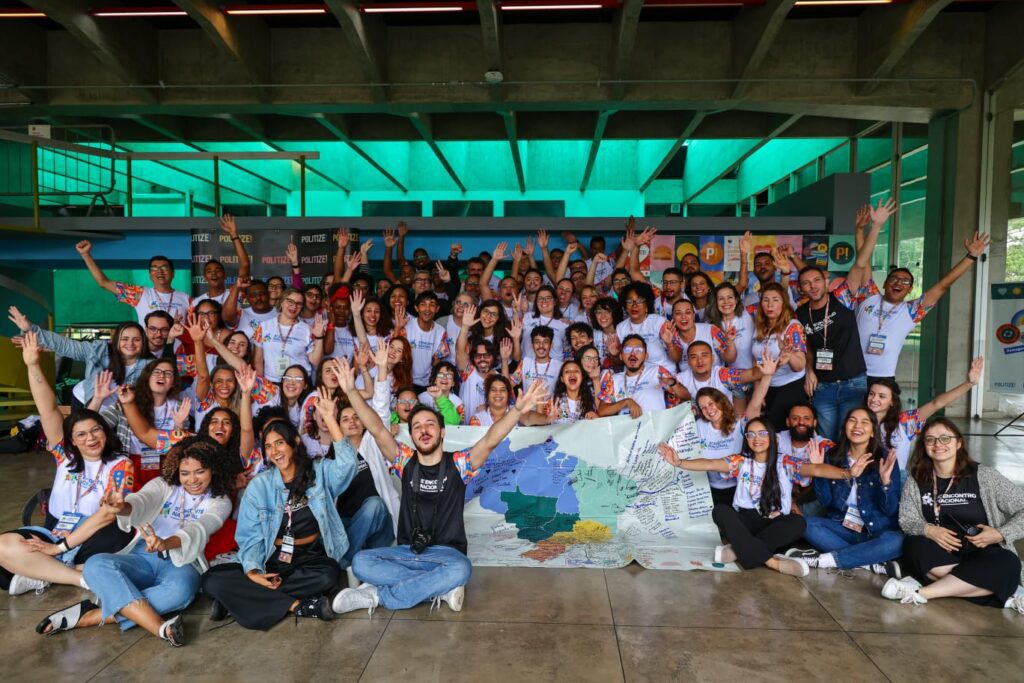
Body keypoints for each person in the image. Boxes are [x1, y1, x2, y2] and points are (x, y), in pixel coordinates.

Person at [333, 365, 550, 616]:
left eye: (430, 424)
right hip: (408, 552)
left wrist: (517, 410)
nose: (424, 430)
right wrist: (351, 391)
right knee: (361, 561)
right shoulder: (404, 461)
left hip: (446, 555)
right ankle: (438, 587)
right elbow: (377, 429)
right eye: (417, 427)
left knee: (462, 569)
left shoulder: (459, 464)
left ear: (442, 431)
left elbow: (491, 440)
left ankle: (377, 595)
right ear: (411, 436)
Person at [35, 436, 233, 646]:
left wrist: (166, 543)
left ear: (213, 469)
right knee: (95, 565)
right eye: (185, 473)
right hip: (143, 554)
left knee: (180, 593)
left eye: (200, 471)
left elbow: (198, 529)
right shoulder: (164, 485)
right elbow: (141, 501)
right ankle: (158, 626)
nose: (192, 479)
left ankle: (92, 616)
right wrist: (122, 507)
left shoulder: (221, 501)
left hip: (182, 563)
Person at [201, 390, 359, 629]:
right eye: (268, 446)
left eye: (279, 443)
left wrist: (331, 419)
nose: (274, 451)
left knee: (328, 575)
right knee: (210, 580)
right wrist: (254, 572)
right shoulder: (259, 486)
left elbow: (348, 466)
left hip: (310, 557)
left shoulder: (319, 471)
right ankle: (298, 605)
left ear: (295, 442)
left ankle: (236, 601)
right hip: (271, 557)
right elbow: (250, 536)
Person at [0, 332, 135, 596]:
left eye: (96, 430)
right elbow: (48, 409)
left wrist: (59, 548)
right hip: (56, 529)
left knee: (121, 539)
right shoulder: (65, 454)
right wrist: (33, 365)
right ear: (71, 440)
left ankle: (43, 571)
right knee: (3, 546)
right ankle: (77, 577)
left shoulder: (120, 464)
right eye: (81, 435)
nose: (90, 439)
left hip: (95, 533)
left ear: (106, 432)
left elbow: (107, 514)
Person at [884, 418, 1024, 612]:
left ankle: (921, 592)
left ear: (959, 443)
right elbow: (907, 520)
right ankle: (998, 588)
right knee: (913, 545)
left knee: (1009, 563)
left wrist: (1000, 534)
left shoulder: (985, 476)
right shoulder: (917, 480)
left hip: (984, 552)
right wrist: (929, 530)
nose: (938, 444)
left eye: (945, 438)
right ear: (924, 446)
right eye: (930, 440)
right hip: (941, 553)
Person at [658, 418, 810, 577]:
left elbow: (817, 470)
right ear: (746, 439)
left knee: (798, 522)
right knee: (720, 511)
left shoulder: (786, 462)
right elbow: (711, 464)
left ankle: (737, 550)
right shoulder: (741, 462)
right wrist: (679, 462)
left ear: (772, 436)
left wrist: (832, 469)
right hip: (746, 520)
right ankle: (773, 562)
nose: (756, 438)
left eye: (762, 433)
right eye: (751, 434)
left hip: (774, 523)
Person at [797, 198, 896, 441]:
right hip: (823, 386)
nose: (813, 286)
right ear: (801, 289)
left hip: (853, 383)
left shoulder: (842, 297)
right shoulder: (801, 314)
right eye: (806, 284)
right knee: (826, 440)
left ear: (826, 281)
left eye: (816, 280)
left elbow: (860, 262)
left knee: (850, 438)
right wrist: (809, 370)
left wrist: (875, 226)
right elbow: (807, 346)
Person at [854, 207, 989, 383]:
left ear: (910, 289)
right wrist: (859, 230)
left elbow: (943, 285)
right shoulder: (869, 296)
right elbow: (862, 262)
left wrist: (971, 257)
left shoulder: (911, 311)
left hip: (883, 379)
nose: (898, 283)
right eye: (894, 279)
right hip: (851, 375)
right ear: (885, 283)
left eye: (905, 282)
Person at [786, 407, 903, 578]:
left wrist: (886, 483)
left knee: (896, 541)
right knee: (803, 523)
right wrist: (818, 471)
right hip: (841, 527)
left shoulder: (884, 459)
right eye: (852, 420)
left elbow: (890, 510)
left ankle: (824, 560)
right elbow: (826, 502)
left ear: (873, 432)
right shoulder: (833, 457)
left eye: (864, 422)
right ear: (845, 427)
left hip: (874, 531)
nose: (857, 426)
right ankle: (869, 562)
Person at [8, 306, 149, 410]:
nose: (130, 343)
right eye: (125, 339)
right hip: (85, 401)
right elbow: (65, 345)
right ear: (116, 340)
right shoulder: (98, 350)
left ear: (143, 342)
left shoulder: (149, 365)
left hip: (119, 409)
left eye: (136, 339)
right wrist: (31, 328)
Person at [866, 358, 983, 472]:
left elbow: (937, 404)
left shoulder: (904, 422)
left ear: (892, 401)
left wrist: (969, 384)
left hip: (895, 479)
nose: (874, 399)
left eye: (881, 396)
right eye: (871, 394)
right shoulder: (859, 419)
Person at [75, 240, 191, 325]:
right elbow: (104, 283)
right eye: (154, 268)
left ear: (173, 273)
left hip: (179, 351)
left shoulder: (186, 298)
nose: (159, 271)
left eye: (164, 268)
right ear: (150, 274)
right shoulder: (139, 294)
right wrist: (86, 255)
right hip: (149, 351)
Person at [750, 282, 807, 431]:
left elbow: (800, 365)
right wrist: (758, 391)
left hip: (789, 387)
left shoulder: (793, 326)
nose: (770, 305)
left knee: (781, 432)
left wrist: (789, 355)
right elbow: (756, 361)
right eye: (766, 300)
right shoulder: (760, 326)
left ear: (784, 303)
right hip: (767, 387)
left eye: (775, 300)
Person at [252, 288, 324, 383]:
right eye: (290, 301)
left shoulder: (307, 329)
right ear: (281, 302)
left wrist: (319, 337)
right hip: (272, 382)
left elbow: (315, 361)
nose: (294, 306)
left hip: (299, 383)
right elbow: (258, 360)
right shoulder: (263, 326)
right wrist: (261, 384)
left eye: (299, 304)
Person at [596, 335, 675, 418]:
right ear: (621, 356)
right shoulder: (614, 379)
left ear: (646, 356)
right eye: (627, 350)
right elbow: (602, 411)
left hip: (656, 424)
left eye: (638, 350)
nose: (632, 354)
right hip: (627, 426)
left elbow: (683, 395)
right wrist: (626, 402)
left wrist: (674, 383)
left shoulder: (657, 371)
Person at [194, 214, 251, 306]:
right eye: (209, 271)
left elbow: (245, 265)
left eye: (218, 270)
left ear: (225, 276)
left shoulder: (236, 294)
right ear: (204, 277)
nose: (214, 273)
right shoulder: (196, 302)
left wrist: (233, 234)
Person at [615, 282, 674, 370]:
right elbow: (620, 362)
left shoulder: (659, 322)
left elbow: (677, 359)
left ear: (647, 305)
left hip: (661, 373)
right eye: (630, 301)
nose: (634, 305)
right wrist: (614, 355)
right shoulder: (620, 328)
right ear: (625, 306)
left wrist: (670, 344)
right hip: (634, 375)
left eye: (639, 301)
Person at [520, 360, 599, 425]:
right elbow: (539, 426)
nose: (572, 373)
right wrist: (540, 401)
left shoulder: (591, 400)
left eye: (576, 371)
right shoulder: (553, 402)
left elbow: (601, 421)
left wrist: (597, 419)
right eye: (567, 372)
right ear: (562, 379)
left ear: (582, 377)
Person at [666, 299, 734, 370]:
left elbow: (730, 359)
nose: (683, 316)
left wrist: (730, 342)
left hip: (715, 376)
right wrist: (669, 344)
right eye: (678, 313)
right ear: (673, 317)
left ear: (693, 315)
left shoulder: (710, 330)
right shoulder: (671, 338)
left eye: (688, 312)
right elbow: (675, 361)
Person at [404, 290, 450, 391]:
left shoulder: (441, 332)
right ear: (416, 308)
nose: (427, 309)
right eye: (423, 304)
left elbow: (437, 362)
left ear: (437, 309)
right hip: (406, 381)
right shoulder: (406, 327)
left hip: (428, 383)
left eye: (432, 305)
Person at [509, 325, 563, 395]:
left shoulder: (559, 366)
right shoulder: (525, 363)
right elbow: (509, 385)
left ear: (551, 345)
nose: (541, 346)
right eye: (537, 342)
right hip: (527, 402)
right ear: (532, 345)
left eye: (545, 342)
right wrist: (515, 339)